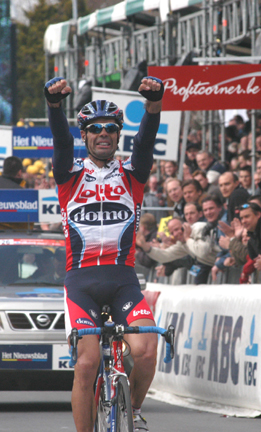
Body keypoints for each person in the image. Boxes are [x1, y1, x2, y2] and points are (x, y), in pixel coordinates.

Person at [45, 75, 163, 432]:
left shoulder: (132, 174)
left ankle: (134, 411)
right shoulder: (69, 175)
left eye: (110, 128)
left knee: (145, 350)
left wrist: (153, 104)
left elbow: (145, 142)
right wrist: (53, 106)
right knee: (86, 364)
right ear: (85, 135)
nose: (103, 133)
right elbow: (61, 142)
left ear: (117, 135)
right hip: (81, 281)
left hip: (123, 278)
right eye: (94, 128)